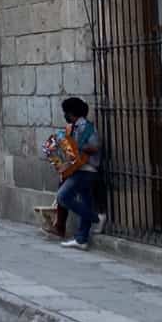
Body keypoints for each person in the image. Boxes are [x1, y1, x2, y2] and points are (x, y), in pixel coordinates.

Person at [56, 97, 101, 251]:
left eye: (66, 112)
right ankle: (81, 239)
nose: (65, 115)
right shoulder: (72, 127)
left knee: (62, 196)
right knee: (86, 202)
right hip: (78, 169)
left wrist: (77, 148)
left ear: (71, 112)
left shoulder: (86, 127)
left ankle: (96, 218)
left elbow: (95, 147)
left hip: (86, 170)